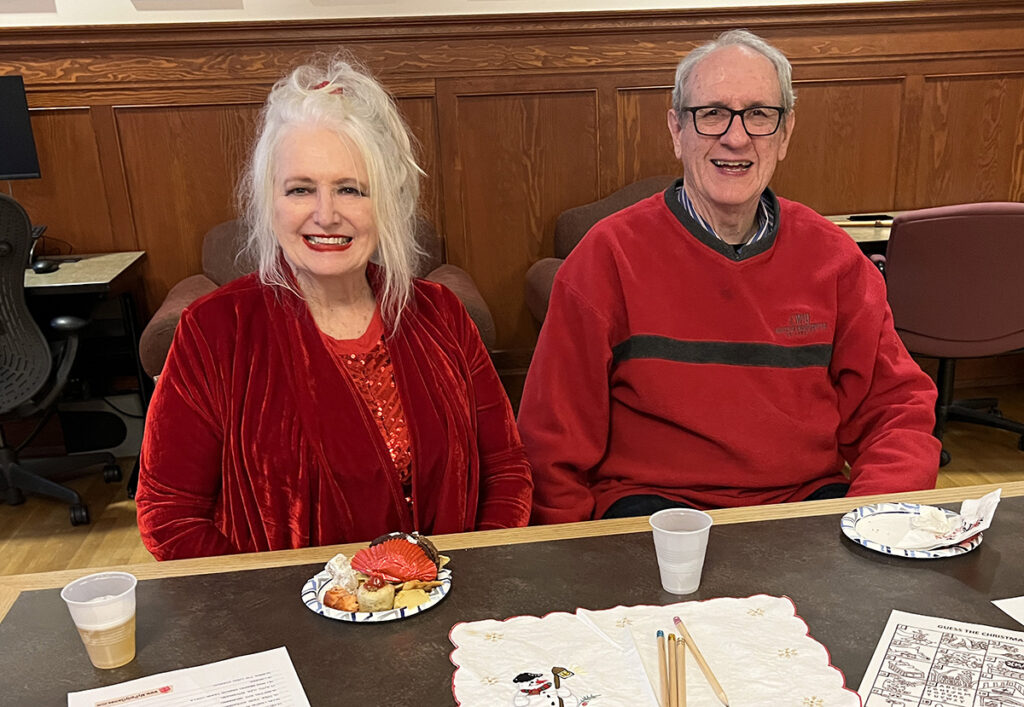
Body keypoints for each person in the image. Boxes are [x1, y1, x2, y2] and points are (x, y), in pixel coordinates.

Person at [518, 29, 940, 524]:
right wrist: (566, 561)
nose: (736, 137)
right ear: (676, 129)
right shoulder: (606, 257)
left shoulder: (835, 259)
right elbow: (550, 446)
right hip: (649, 514)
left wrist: (874, 518)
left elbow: (897, 412)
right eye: (711, 112)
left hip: (802, 506)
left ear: (784, 135)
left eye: (759, 114)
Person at [136, 57, 532, 560]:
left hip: (454, 606)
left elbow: (506, 468)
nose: (325, 214)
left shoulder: (441, 316)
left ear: (386, 202)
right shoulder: (215, 331)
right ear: (270, 202)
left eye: (350, 189)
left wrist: (477, 574)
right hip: (286, 622)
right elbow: (169, 513)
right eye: (301, 189)